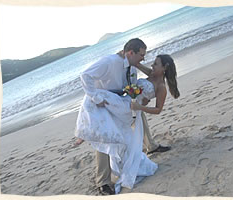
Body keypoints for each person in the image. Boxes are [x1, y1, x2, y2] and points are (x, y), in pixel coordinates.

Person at [75, 38, 179, 194]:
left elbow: (133, 88)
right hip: (104, 103)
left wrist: (135, 99)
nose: (145, 59)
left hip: (123, 102)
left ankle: (150, 146)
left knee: (138, 119)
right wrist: (97, 98)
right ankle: (103, 180)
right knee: (106, 135)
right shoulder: (111, 62)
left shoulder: (132, 68)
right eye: (141, 55)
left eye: (152, 60)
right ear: (131, 53)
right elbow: (85, 76)